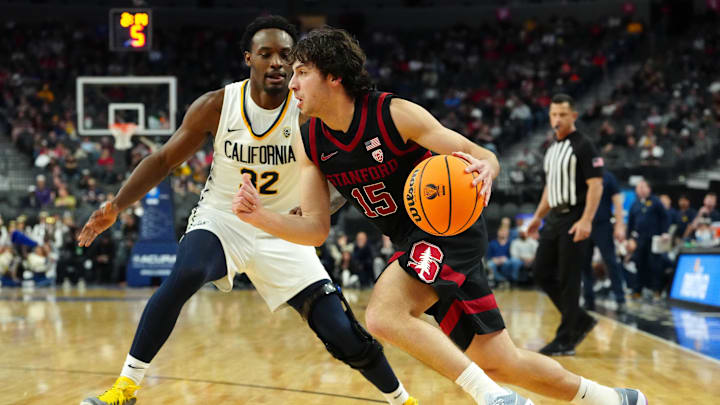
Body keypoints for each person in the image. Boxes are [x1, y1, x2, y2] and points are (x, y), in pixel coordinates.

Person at [233, 27, 647, 405]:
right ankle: (613, 400)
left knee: (383, 314)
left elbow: (482, 155)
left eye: (301, 71)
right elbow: (316, 229)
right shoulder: (311, 140)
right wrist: (258, 216)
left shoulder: (392, 114)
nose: (291, 83)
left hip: (449, 230)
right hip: (415, 245)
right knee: (499, 359)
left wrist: (488, 167)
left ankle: (494, 400)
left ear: (333, 75)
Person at [78, 16, 415, 405]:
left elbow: (343, 179)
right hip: (223, 220)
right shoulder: (217, 105)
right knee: (186, 271)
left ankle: (403, 400)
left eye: (286, 55)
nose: (276, 62)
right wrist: (117, 204)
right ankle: (125, 388)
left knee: (341, 332)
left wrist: (311, 211)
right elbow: (165, 158)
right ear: (248, 59)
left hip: (284, 229)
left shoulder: (309, 113)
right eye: (265, 54)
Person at [525, 94, 603, 357]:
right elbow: (550, 187)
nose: (557, 119)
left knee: (570, 278)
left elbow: (596, 185)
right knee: (540, 271)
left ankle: (566, 338)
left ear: (574, 116)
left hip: (575, 216)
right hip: (554, 217)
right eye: (553, 114)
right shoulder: (551, 148)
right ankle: (578, 319)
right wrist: (537, 216)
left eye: (562, 115)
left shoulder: (584, 145)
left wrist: (586, 220)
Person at [580, 170, 627, 312]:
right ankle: (588, 299)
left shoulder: (607, 176)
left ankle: (620, 299)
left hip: (603, 225)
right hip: (584, 224)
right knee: (584, 264)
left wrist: (619, 224)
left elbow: (617, 202)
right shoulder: (581, 175)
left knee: (611, 261)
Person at [626, 180, 670, 300]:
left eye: (643, 186)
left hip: (654, 239)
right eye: (639, 187)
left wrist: (665, 232)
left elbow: (664, 217)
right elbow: (630, 224)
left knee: (655, 265)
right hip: (639, 241)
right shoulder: (634, 204)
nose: (641, 189)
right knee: (639, 265)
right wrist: (629, 239)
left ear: (649, 189)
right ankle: (637, 290)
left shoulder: (655, 202)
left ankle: (656, 290)